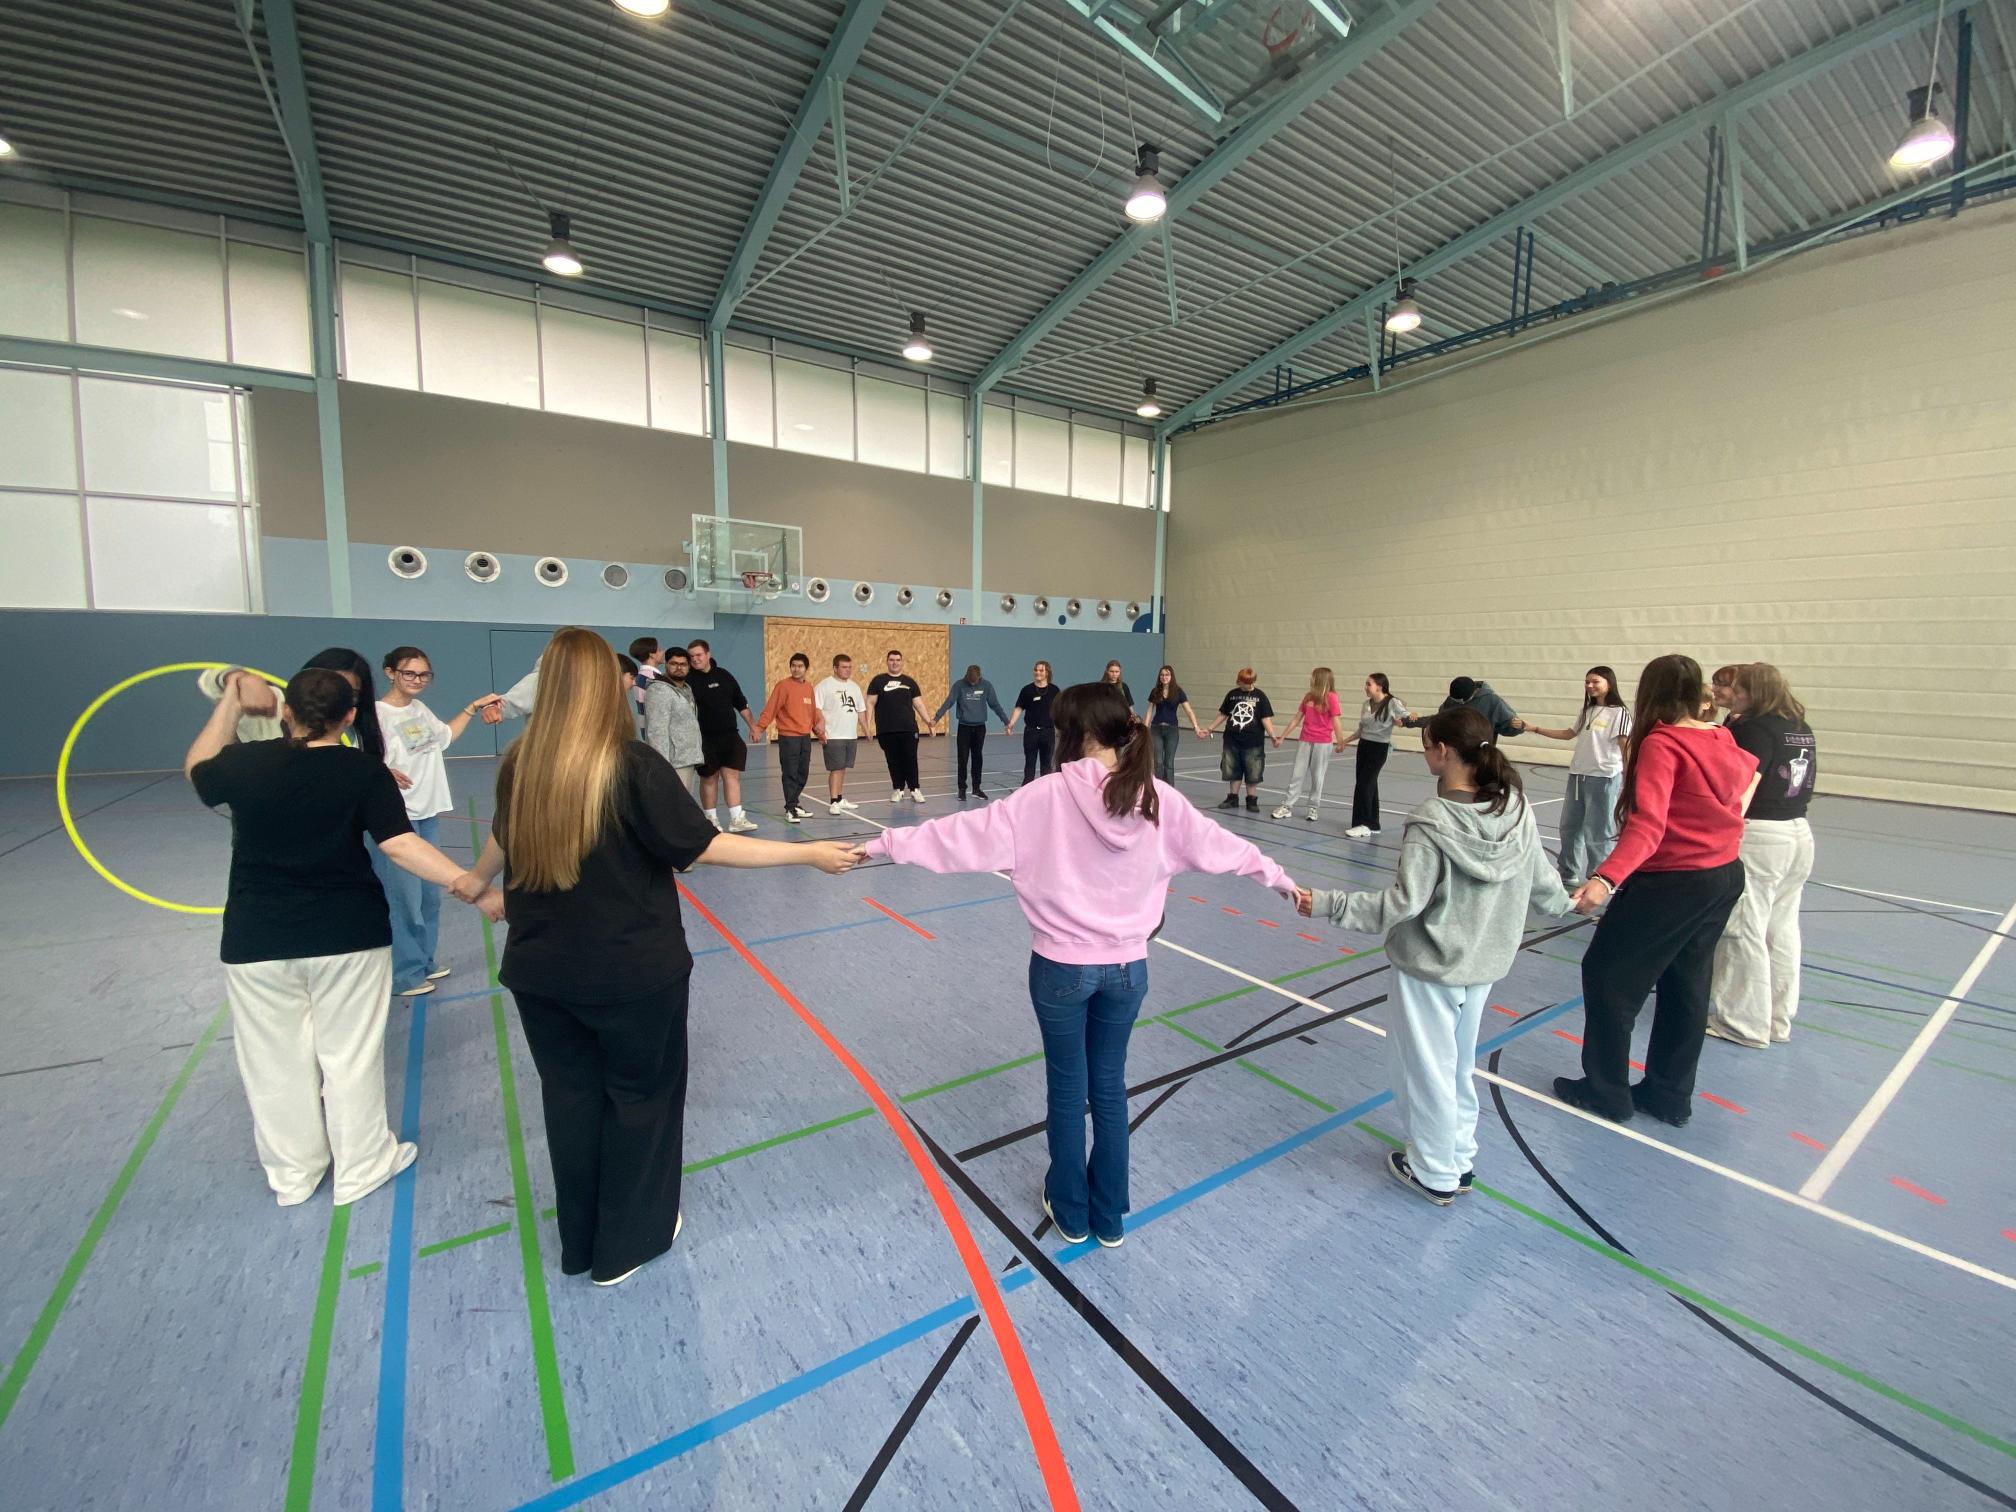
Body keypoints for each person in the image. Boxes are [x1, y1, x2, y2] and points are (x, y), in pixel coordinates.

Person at [454, 629, 861, 1286]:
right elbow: (703, 846)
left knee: (571, 1101)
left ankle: (581, 1241)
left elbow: (502, 835)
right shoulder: (630, 764)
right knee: (640, 1100)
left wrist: (477, 881)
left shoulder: (522, 762)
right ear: (604, 688)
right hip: (631, 975)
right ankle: (626, 1245)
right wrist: (806, 852)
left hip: (540, 975)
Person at [861, 683, 1298, 1248]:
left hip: (1060, 970)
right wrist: (1282, 881)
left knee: (1068, 1089)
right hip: (1128, 972)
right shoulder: (1158, 800)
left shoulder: (1041, 798)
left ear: (1077, 734)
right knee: (1109, 1087)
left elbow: (955, 837)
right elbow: (1228, 848)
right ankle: (1109, 1215)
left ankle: (1070, 1210)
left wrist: (879, 846)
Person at [187, 666, 480, 1207]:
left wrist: (231, 699)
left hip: (257, 940)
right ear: (349, 717)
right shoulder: (363, 770)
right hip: (348, 936)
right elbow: (399, 844)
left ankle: (293, 1176)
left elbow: (198, 768)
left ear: (287, 712)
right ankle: (361, 1166)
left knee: (273, 1063)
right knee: (350, 1056)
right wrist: (468, 883)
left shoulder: (243, 763)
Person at [1299, 707, 1575, 1204]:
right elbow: (1544, 882)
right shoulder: (1515, 808)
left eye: (1427, 745)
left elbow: (1402, 904)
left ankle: (1433, 1171)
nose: (1425, 752)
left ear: (1443, 751)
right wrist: (1572, 903)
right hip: (1482, 967)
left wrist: (1327, 903)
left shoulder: (1431, 822)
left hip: (1429, 969)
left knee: (1425, 1071)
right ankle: (1458, 1157)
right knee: (1457, 1066)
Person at [1555, 655, 1760, 1126]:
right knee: (1686, 986)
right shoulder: (1722, 737)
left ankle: (1605, 1091)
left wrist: (1605, 878)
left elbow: (1649, 825)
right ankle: (1669, 1095)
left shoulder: (1663, 744)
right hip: (1722, 875)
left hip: (1675, 880)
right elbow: (1747, 782)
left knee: (1607, 975)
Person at [376, 646, 499, 997]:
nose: (417, 680)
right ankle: (405, 973)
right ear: (390, 673)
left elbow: (443, 737)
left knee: (429, 896)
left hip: (427, 812)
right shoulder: (376, 714)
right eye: (409, 673)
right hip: (397, 818)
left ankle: (424, 960)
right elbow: (356, 757)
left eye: (424, 675)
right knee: (404, 900)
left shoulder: (419, 710)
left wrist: (472, 708)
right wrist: (380, 770)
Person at [1708, 662, 1819, 1049]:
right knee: (1781, 928)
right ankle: (1776, 1019)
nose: (1729, 694)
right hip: (1797, 832)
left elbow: (1741, 785)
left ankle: (1742, 1022)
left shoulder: (1753, 729)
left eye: (1736, 688)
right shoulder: (1798, 726)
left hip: (1762, 834)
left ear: (1751, 691)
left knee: (1743, 927)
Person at [1525, 666, 1632, 887]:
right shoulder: (1587, 711)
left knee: (1599, 830)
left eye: (1595, 681)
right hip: (1577, 776)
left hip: (1603, 778)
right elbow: (1569, 734)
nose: (1590, 686)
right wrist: (1535, 729)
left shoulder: (1620, 713)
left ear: (1609, 683)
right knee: (1570, 827)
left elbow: (1625, 746)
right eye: (1587, 682)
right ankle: (1567, 872)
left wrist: (1631, 777)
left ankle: (1600, 877)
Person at [686, 638, 761, 833]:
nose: (695, 659)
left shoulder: (724, 675)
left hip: (730, 737)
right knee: (709, 778)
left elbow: (741, 703)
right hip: (704, 739)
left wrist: (753, 726)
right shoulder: (688, 681)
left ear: (708, 654)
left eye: (698, 655)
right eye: (691, 657)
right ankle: (711, 820)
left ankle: (737, 819)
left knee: (732, 776)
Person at [1337, 673, 1407, 838]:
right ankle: (1373, 824)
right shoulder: (1366, 704)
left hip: (1379, 748)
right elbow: (1362, 730)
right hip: (1364, 746)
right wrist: (1345, 741)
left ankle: (1364, 824)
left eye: (1369, 684)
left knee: (1365, 784)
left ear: (1379, 687)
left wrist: (1404, 720)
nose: (1365, 687)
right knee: (1369, 785)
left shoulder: (1392, 702)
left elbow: (1405, 717)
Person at [756, 653, 822, 823]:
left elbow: (812, 713)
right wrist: (760, 727)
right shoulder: (783, 686)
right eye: (793, 665)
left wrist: (820, 734)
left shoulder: (808, 687)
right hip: (788, 738)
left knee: (803, 773)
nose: (796, 669)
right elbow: (771, 708)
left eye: (800, 666)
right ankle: (790, 808)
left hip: (805, 737)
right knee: (790, 773)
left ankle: (795, 803)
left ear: (806, 669)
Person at [1202, 667, 1279, 812]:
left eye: (1250, 682)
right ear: (1239, 681)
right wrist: (1210, 728)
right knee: (1232, 769)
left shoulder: (1260, 696)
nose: (1249, 685)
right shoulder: (1232, 695)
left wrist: (1273, 736)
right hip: (1232, 740)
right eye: (1245, 682)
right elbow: (1223, 714)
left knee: (1253, 771)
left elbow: (1265, 718)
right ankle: (1233, 798)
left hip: (1253, 742)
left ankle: (1251, 800)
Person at [1273, 667, 1344, 822]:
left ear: (1320, 679)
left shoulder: (1332, 697)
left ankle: (1313, 807)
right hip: (1305, 740)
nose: (1310, 679)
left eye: (1313, 677)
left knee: (1318, 776)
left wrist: (1340, 741)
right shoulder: (1308, 697)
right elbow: (1296, 719)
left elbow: (1336, 720)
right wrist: (1283, 736)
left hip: (1323, 742)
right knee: (1297, 774)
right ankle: (1287, 806)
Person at [934, 664, 1009, 801]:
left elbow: (995, 705)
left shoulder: (986, 686)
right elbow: (949, 702)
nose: (972, 683)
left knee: (977, 758)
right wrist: (936, 718)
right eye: (970, 681)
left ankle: (976, 788)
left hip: (980, 728)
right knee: (962, 759)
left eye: (975, 682)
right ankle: (962, 789)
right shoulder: (959, 685)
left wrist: (1006, 721)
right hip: (964, 727)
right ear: (966, 676)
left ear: (979, 677)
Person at [867, 649, 931, 804]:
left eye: (897, 660)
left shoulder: (909, 682)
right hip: (886, 730)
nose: (894, 663)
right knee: (893, 760)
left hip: (908, 729)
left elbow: (919, 705)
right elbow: (870, 703)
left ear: (902, 662)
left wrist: (930, 723)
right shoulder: (878, 681)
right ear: (887, 662)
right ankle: (898, 789)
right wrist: (867, 726)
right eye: (891, 660)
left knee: (910, 759)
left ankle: (915, 789)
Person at [642, 646, 704, 799]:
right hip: (673, 763)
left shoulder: (686, 689)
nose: (679, 668)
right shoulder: (659, 690)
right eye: (674, 664)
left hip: (687, 758)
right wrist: (662, 765)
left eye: (683, 664)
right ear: (666, 665)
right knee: (674, 804)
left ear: (689, 667)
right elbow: (656, 731)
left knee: (684, 804)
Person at [815, 652, 867, 814]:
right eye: (844, 667)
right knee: (836, 769)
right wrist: (820, 730)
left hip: (850, 735)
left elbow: (861, 710)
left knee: (843, 768)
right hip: (833, 735)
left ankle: (839, 798)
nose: (848, 670)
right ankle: (833, 801)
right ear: (835, 668)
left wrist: (867, 729)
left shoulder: (854, 687)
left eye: (850, 667)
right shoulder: (824, 685)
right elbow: (816, 708)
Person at [1404, 676, 1523, 740]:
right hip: (1454, 754)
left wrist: (1517, 726)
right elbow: (1439, 720)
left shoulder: (1492, 701)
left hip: (1480, 756)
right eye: (1455, 700)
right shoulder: (1452, 700)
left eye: (1461, 701)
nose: (1457, 703)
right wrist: (1409, 721)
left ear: (1474, 692)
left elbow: (1509, 725)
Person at [1146, 666, 1204, 784]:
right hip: (1156, 729)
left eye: (1167, 675)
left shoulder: (1178, 692)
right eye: (1162, 675)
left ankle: (1169, 789)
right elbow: (1149, 711)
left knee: (1169, 762)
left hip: (1171, 730)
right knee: (1158, 762)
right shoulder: (1155, 691)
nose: (1164, 677)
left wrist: (1196, 727)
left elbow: (1189, 710)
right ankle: (1158, 788)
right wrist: (1144, 728)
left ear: (1171, 676)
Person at [1007, 661, 1058, 785]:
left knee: (1046, 765)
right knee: (1030, 763)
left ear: (1047, 672)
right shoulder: (1027, 690)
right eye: (1036, 670)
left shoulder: (1054, 690)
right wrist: (1011, 723)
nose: (1037, 673)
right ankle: (1027, 790)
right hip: (1031, 732)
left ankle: (1046, 789)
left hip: (1048, 732)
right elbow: (1019, 708)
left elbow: (1059, 711)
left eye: (1041, 670)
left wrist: (1061, 728)